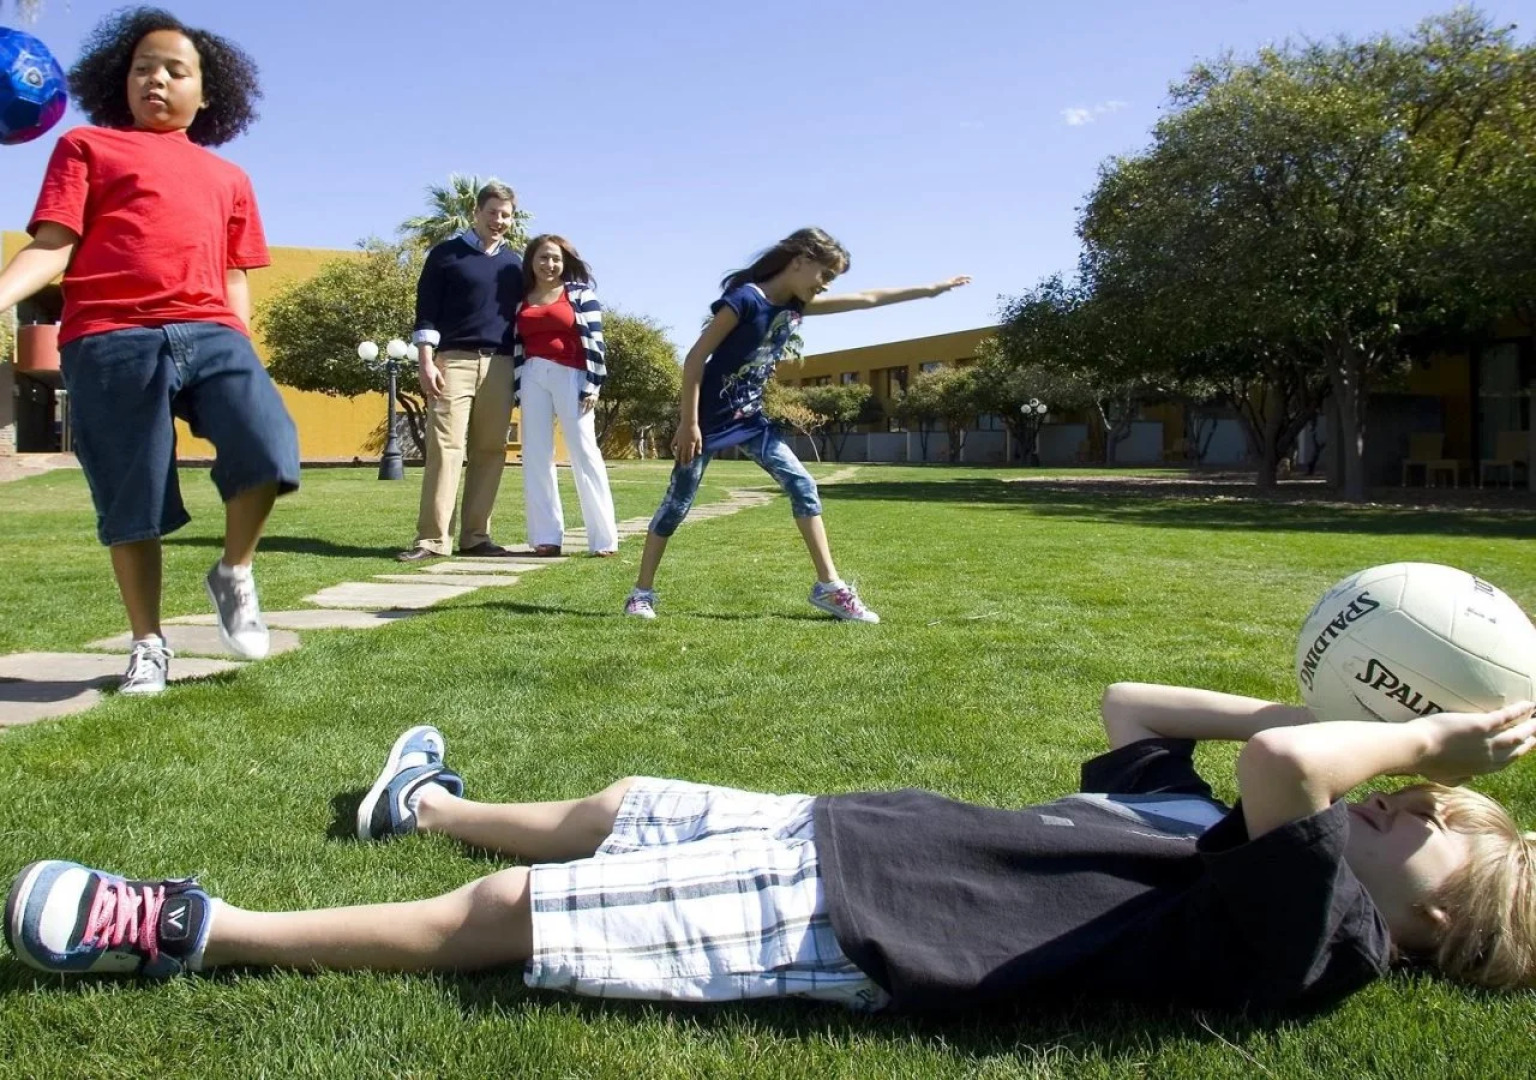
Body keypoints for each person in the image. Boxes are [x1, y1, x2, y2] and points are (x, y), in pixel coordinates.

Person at [7, 685, 1534, 1011]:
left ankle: (196, 926)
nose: (1411, 810)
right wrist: (1340, 690)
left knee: (517, 911)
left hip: (863, 920)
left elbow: (1287, 771)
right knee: (621, 801)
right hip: (849, 837)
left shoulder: (1309, 944)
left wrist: (1428, 739)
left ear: (1430, 936)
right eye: (1422, 800)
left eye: (1440, 840)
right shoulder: (1230, 839)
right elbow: (1142, 709)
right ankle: (425, 800)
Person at [0, 7, 299, 694]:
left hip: (209, 329)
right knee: (132, 497)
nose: (156, 79)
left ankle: (234, 572)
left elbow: (233, 274)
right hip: (107, 338)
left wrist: (239, 346)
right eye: (142, 68)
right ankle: (148, 644)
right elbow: (53, 246)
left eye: (174, 69)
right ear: (119, 82)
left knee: (269, 443)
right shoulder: (87, 148)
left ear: (206, 91)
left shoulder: (230, 179)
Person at [622, 227, 969, 623]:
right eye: (825, 276)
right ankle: (640, 594)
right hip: (706, 423)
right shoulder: (744, 300)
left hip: (752, 421)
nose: (824, 287)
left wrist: (931, 289)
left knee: (802, 483)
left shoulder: (797, 306)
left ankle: (830, 588)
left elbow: (867, 299)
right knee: (677, 505)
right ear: (800, 261)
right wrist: (688, 423)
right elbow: (695, 359)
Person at [397, 181, 524, 563]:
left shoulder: (515, 264)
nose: (499, 221)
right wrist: (425, 360)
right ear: (476, 212)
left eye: (506, 215)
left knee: (490, 451)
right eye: (492, 213)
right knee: (447, 449)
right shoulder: (445, 255)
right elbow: (427, 314)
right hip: (453, 361)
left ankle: (475, 537)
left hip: (500, 364)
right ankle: (432, 539)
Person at [510, 235, 618, 557]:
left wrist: (593, 385)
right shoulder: (522, 299)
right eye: (543, 258)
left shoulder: (581, 295)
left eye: (555, 259)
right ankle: (546, 537)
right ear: (532, 261)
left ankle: (604, 540)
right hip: (532, 375)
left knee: (584, 453)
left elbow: (597, 342)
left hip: (572, 375)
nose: (549, 265)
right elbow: (517, 345)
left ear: (565, 262)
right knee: (536, 455)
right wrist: (518, 386)